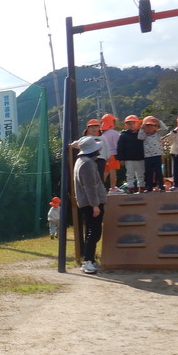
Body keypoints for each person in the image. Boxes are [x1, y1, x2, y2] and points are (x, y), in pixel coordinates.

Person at [73, 135, 106, 274]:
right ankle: (88, 261)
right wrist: (95, 205)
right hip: (91, 203)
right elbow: (90, 186)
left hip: (87, 203)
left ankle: (90, 259)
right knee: (94, 232)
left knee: (91, 231)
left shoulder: (81, 161)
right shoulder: (88, 163)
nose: (99, 150)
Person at [117, 114, 145, 193]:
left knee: (141, 173)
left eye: (134, 123)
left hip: (140, 157)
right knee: (129, 174)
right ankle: (130, 187)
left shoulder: (142, 134)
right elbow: (120, 147)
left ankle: (142, 187)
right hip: (128, 158)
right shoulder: (124, 135)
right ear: (126, 125)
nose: (132, 125)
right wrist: (121, 158)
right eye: (129, 124)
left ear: (138, 123)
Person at [138, 116, 165, 191]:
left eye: (151, 126)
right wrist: (141, 128)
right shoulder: (144, 135)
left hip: (157, 156)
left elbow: (165, 129)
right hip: (148, 157)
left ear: (155, 127)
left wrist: (159, 122)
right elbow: (139, 137)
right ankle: (149, 187)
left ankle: (161, 186)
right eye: (147, 126)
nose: (149, 128)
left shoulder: (157, 134)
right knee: (148, 173)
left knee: (158, 172)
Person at [100, 113, 122, 192]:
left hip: (105, 156)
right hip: (113, 155)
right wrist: (120, 156)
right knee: (113, 172)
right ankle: (113, 188)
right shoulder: (115, 133)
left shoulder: (103, 134)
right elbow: (117, 146)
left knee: (105, 172)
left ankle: (99, 188)